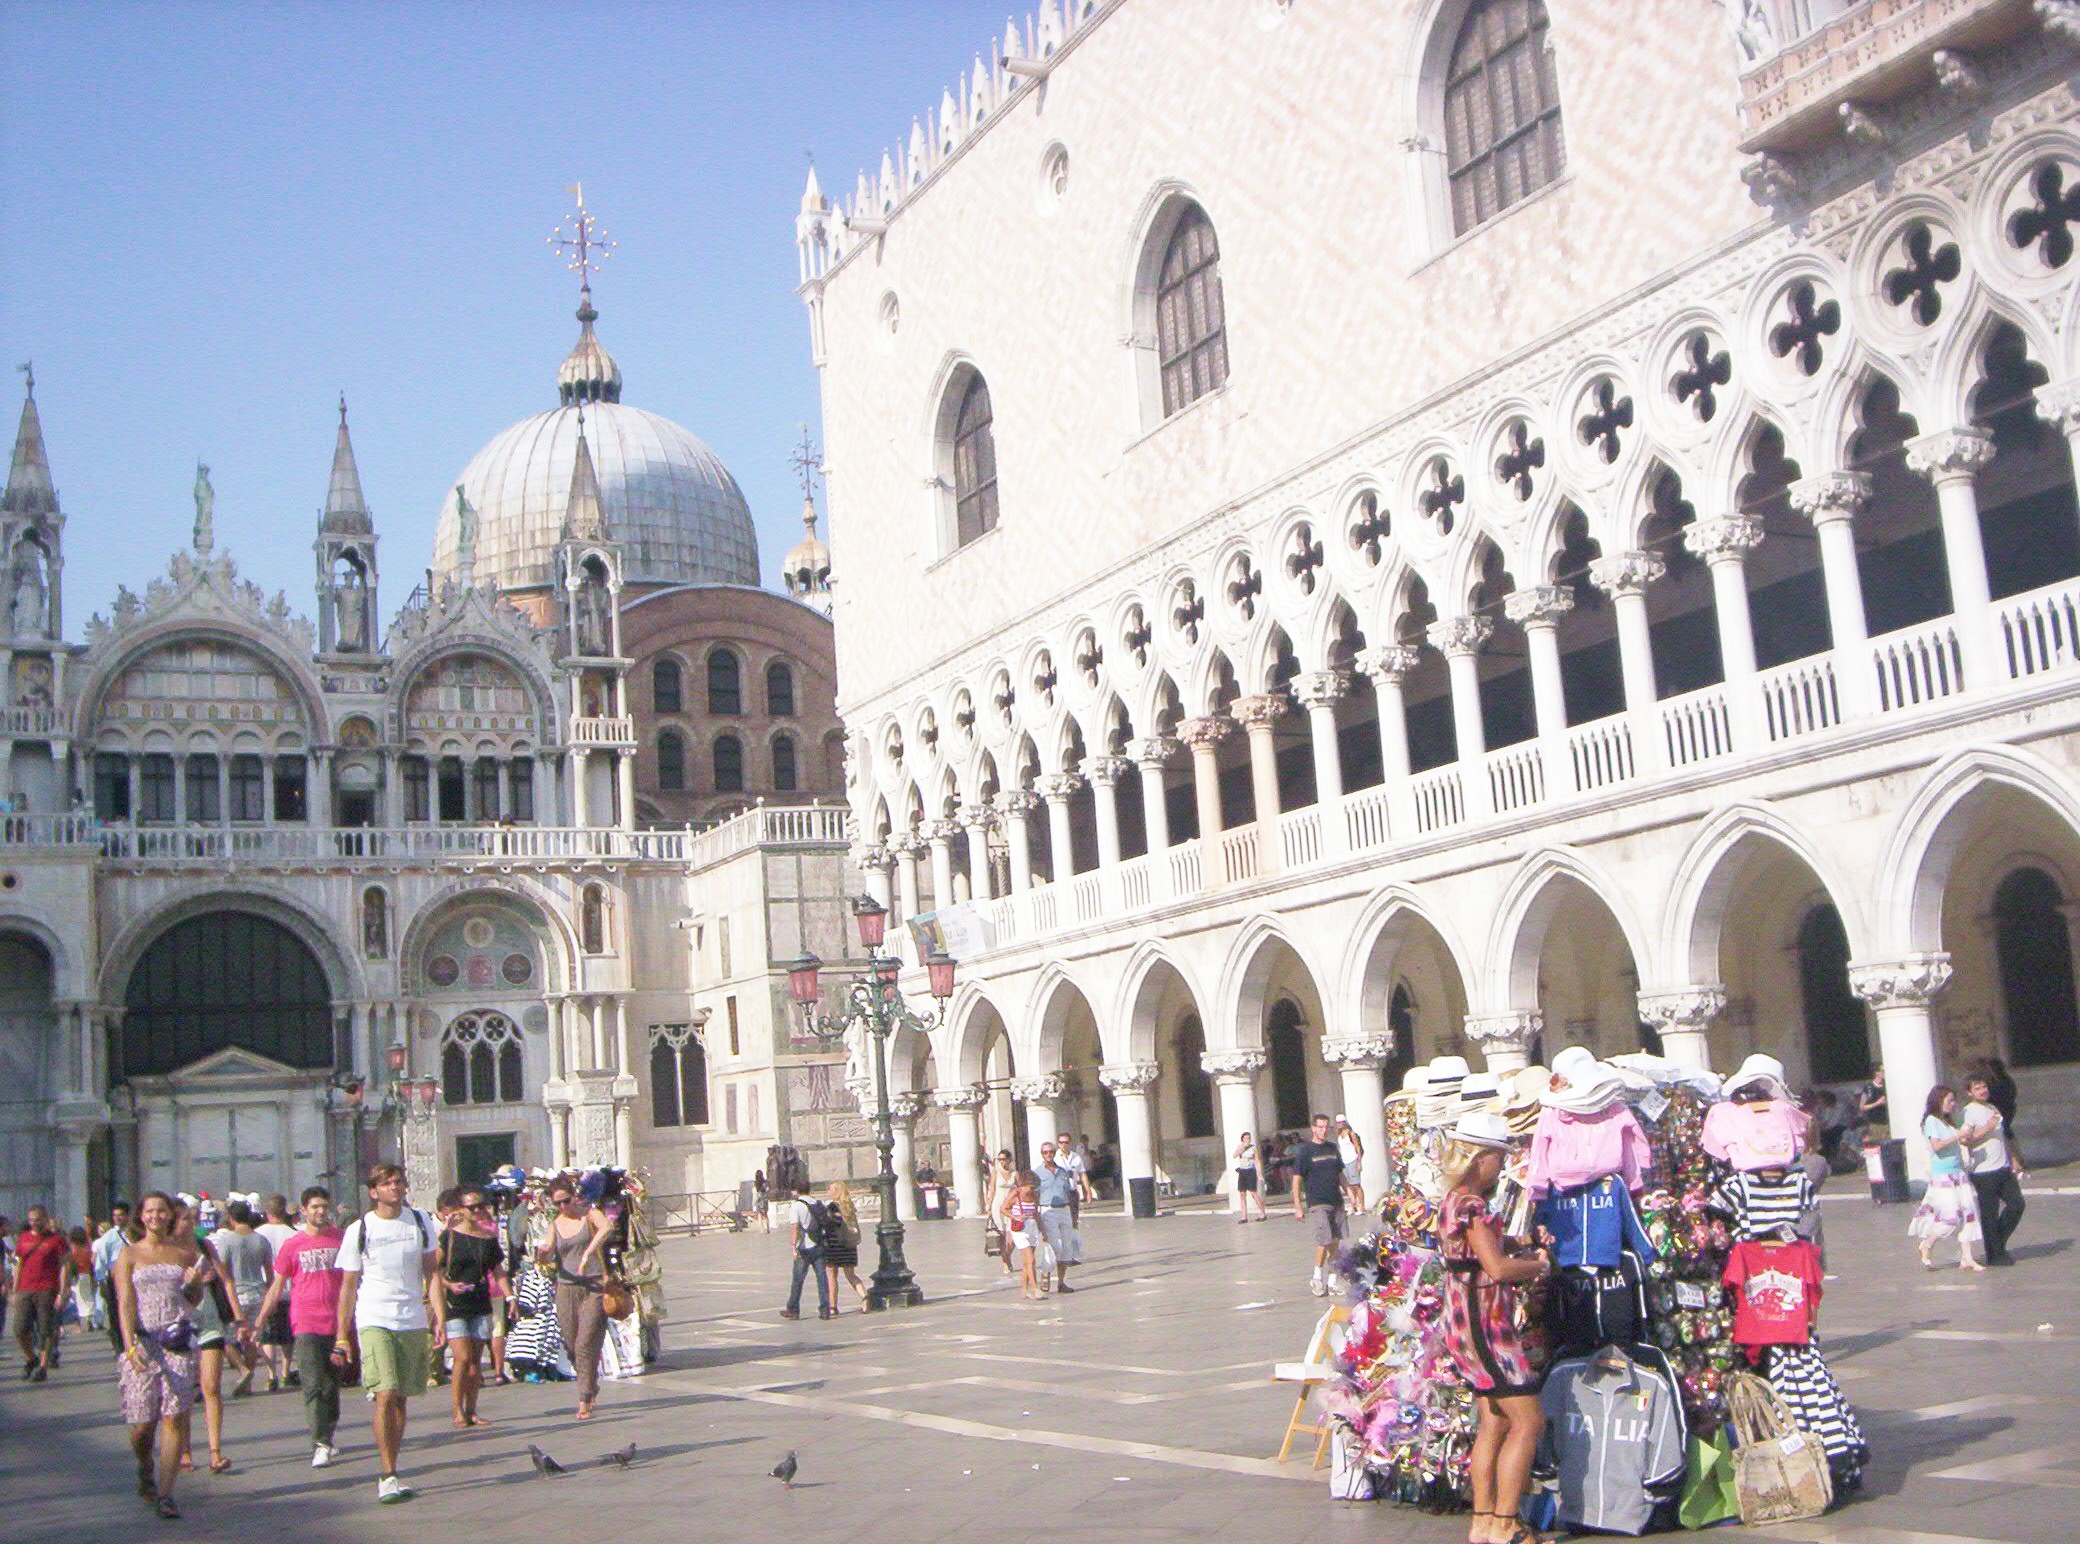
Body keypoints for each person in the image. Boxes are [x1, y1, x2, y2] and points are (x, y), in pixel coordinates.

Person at [1441, 1112, 1552, 1544]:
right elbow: (1497, 1268)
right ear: (1479, 1158)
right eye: (1498, 1158)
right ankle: (1506, 1524)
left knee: (1495, 1422)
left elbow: (1477, 1250)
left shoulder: (1453, 1200)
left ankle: (1483, 1521)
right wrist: (1538, 1265)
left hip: (1464, 1324)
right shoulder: (1472, 1205)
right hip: (1486, 1327)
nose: (1501, 1166)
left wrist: (1520, 1242)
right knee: (1529, 1421)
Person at [335, 1163, 442, 1503]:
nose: (395, 1187)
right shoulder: (360, 1229)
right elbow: (348, 1286)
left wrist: (439, 1316)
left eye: (398, 1182)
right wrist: (341, 1335)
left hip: (411, 1317)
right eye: (387, 1183)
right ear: (373, 1191)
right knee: (385, 1392)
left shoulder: (420, 1222)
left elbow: (432, 1273)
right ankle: (387, 1474)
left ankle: (393, 1464)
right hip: (374, 1316)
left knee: (401, 1397)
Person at [115, 1193, 206, 1520]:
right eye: (150, 1211)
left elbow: (193, 1300)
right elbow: (125, 1301)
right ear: (142, 1216)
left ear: (170, 1216)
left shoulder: (184, 1254)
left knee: (175, 1416)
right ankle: (145, 1464)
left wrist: (194, 1284)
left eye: (162, 1211)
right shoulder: (129, 1254)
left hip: (176, 1341)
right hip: (142, 1342)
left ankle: (166, 1494)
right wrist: (129, 1344)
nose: (156, 1216)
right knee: (142, 1426)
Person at [253, 1187, 346, 1467]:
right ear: (304, 1210)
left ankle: (327, 1433)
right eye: (315, 1207)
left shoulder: (341, 1239)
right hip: (306, 1321)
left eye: (324, 1206)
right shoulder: (293, 1245)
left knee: (332, 1386)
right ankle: (320, 1442)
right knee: (313, 1384)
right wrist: (259, 1321)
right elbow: (277, 1286)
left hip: (338, 1323)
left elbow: (355, 1279)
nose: (320, 1211)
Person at [432, 1186, 506, 1429]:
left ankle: (472, 1410)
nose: (477, 1211)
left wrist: (511, 1296)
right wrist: (449, 1285)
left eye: (480, 1206)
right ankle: (457, 1410)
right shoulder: (449, 1236)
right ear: (460, 1209)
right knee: (462, 1358)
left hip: (480, 1301)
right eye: (471, 1207)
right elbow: (433, 1270)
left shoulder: (488, 1238)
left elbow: (498, 1270)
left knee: (474, 1364)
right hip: (456, 1304)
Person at [538, 1179, 612, 1417]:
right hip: (566, 1287)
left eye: (566, 1201)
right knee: (571, 1345)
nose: (562, 1207)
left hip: (594, 1286)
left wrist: (588, 1253)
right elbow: (548, 1253)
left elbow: (607, 1227)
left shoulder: (589, 1214)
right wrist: (542, 1254)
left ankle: (584, 1399)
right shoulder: (555, 1224)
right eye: (557, 1203)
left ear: (574, 1197)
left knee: (584, 1344)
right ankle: (590, 1383)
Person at [1909, 1085, 1987, 1272]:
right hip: (1942, 1174)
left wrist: (1965, 1137)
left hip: (1958, 1172)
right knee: (1950, 1216)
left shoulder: (1948, 1121)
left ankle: (1967, 1257)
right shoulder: (1931, 1121)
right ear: (1939, 1100)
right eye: (1949, 1100)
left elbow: (1958, 1141)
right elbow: (1936, 1146)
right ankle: (1927, 1244)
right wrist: (1957, 1136)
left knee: (1968, 1213)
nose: (1952, 1104)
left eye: (1953, 1101)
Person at [1961, 1074, 2027, 1267]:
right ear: (1969, 1092)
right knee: (1989, 1214)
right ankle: (1995, 1255)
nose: (1983, 1091)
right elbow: (1965, 1140)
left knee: (2017, 1204)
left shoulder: (1993, 1108)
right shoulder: (1968, 1112)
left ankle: (1997, 1242)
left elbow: (2002, 1136)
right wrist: (1987, 1128)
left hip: (2003, 1168)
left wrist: (2013, 1158)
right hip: (1983, 1171)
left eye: (1984, 1087)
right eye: (1977, 1088)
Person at [214, 1201, 277, 1395]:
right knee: (252, 1339)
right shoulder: (261, 1240)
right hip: (257, 1292)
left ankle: (243, 1369)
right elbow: (269, 1273)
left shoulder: (227, 1239)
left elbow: (222, 1270)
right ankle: (247, 1383)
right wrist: (269, 1295)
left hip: (235, 1294)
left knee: (222, 1337)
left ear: (231, 1218)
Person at [1289, 1114, 1347, 1297]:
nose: (1323, 1130)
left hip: (1336, 1200)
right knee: (1324, 1240)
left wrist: (1350, 1193)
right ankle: (1316, 1276)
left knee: (1336, 1241)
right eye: (1320, 1127)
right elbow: (1297, 1180)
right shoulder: (1305, 1151)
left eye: (1326, 1127)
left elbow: (1340, 1173)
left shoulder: (1332, 1148)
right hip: (1318, 1202)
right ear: (1313, 1128)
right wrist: (1298, 1206)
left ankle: (1332, 1281)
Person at [11, 1204, 70, 1381]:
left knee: (45, 1329)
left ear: (45, 1219)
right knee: (19, 1328)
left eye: (37, 1220)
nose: (34, 1223)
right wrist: (14, 1290)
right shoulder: (23, 1238)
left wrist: (62, 1292)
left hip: (47, 1288)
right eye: (31, 1220)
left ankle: (43, 1367)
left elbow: (64, 1265)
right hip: (25, 1288)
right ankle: (31, 1358)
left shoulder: (56, 1240)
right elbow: (18, 1264)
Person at [255, 1195, 298, 1389]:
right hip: (288, 1290)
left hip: (266, 1290)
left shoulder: (258, 1234)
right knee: (287, 1335)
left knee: (268, 1336)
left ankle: (271, 1374)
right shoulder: (293, 1234)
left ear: (267, 1212)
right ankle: (286, 1372)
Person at [781, 1188, 836, 1321]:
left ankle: (793, 1309)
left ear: (797, 1191)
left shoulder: (796, 1206)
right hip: (819, 1245)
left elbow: (794, 1228)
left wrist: (793, 1247)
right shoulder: (817, 1203)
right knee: (822, 1279)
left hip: (804, 1248)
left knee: (798, 1280)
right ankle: (825, 1310)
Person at [1036, 1142, 1083, 1293]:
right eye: (1045, 1152)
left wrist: (1074, 1214)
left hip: (1064, 1209)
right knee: (1055, 1246)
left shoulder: (1062, 1172)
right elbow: (1034, 1195)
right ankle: (1045, 1274)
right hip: (1048, 1209)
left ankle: (1061, 1282)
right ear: (1042, 1154)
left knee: (1067, 1248)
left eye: (1051, 1152)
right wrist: (1036, 1217)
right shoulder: (1037, 1173)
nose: (1048, 1155)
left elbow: (1070, 1192)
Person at [94, 1201, 135, 1353]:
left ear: (128, 1216)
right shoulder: (109, 1237)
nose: (117, 1218)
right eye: (115, 1215)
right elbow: (101, 1260)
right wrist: (102, 1281)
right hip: (115, 1278)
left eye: (121, 1215)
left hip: (134, 1276)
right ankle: (119, 1345)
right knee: (116, 1311)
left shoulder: (136, 1233)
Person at [822, 1182, 868, 1310]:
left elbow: (829, 1226)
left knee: (832, 1277)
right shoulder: (849, 1206)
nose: (828, 1192)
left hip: (833, 1246)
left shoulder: (832, 1207)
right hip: (849, 1245)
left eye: (830, 1190)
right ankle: (864, 1297)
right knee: (851, 1275)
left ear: (836, 1192)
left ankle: (832, 1307)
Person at [1004, 1171, 1044, 1300]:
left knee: (1028, 1262)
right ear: (1022, 1185)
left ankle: (1024, 1290)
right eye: (1029, 1187)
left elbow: (1036, 1213)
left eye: (1033, 1187)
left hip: (1032, 1227)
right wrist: (1015, 1217)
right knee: (1031, 1259)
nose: (1031, 1190)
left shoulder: (1035, 1195)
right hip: (1020, 1229)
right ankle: (1035, 1288)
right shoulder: (1015, 1194)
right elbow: (1003, 1208)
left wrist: (1043, 1230)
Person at [984, 1149, 1019, 1275]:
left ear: (1009, 1160)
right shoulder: (996, 1172)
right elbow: (992, 1189)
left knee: (1012, 1237)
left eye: (1004, 1159)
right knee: (1002, 1235)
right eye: (999, 1160)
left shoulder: (1015, 1173)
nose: (1002, 1162)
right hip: (998, 1206)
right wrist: (988, 1204)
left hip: (1011, 1206)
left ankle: (1007, 1256)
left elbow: (1019, 1189)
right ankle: (1006, 1262)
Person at [66, 1225, 98, 1334]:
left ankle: (82, 1321)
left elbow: (71, 1262)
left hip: (77, 1275)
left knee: (79, 1299)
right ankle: (91, 1319)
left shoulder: (73, 1248)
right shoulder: (87, 1247)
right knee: (89, 1297)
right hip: (87, 1273)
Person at [1334, 1114, 1367, 1211]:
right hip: (1344, 1161)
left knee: (1356, 1184)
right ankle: (1353, 1206)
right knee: (1348, 1185)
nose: (1339, 1124)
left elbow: (1357, 1148)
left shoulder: (1351, 1133)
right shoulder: (1339, 1134)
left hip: (1352, 1160)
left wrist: (1359, 1162)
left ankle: (1361, 1206)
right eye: (1338, 1123)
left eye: (1341, 1122)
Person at [1233, 1131, 1267, 1222]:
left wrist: (1259, 1173)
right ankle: (1244, 1216)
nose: (1248, 1140)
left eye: (1249, 1138)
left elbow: (1257, 1160)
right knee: (1242, 1193)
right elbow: (1234, 1155)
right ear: (1243, 1139)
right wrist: (1242, 1148)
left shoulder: (1253, 1148)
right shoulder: (1240, 1147)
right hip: (1242, 1171)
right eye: (1246, 1138)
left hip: (1250, 1170)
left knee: (1253, 1193)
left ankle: (1262, 1213)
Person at [1978, 1057, 2019, 1130]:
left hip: (2004, 1108)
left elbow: (2010, 1094)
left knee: (2003, 1127)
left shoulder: (2005, 1081)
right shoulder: (1990, 1081)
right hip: (1996, 1108)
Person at [1055, 1131, 1090, 1220]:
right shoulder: (1054, 1158)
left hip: (1072, 1192)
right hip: (1059, 1192)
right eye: (1061, 1142)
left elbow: (1082, 1174)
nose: (1063, 1145)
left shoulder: (1076, 1157)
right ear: (1058, 1143)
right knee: (1062, 1219)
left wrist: (1088, 1191)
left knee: (1074, 1219)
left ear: (1070, 1143)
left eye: (1066, 1142)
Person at [1856, 1066, 1889, 1142]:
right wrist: (1877, 1103)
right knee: (1876, 1143)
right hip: (1875, 1123)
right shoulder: (1869, 1087)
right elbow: (1862, 1107)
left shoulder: (1887, 1086)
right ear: (1877, 1073)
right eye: (1882, 1071)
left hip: (1888, 1122)